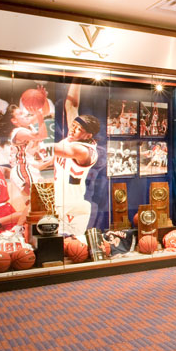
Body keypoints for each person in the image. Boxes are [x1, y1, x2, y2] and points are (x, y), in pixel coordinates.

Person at [54, 83, 100, 237]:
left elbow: (56, 150)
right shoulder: (74, 138)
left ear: (88, 135)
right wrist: (77, 78)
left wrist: (35, 143)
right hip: (58, 201)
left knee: (73, 249)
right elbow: (71, 105)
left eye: (78, 128)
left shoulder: (83, 150)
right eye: (73, 125)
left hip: (72, 206)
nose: (72, 129)